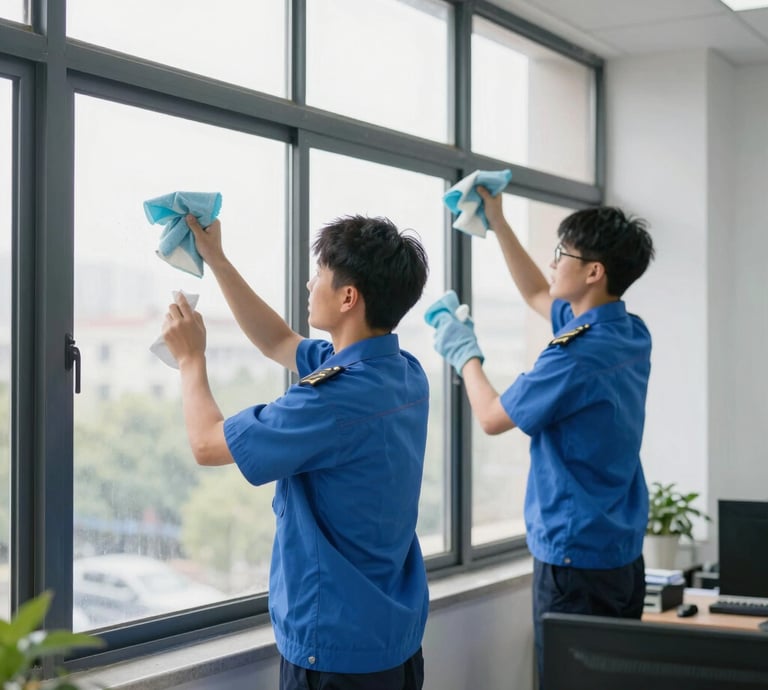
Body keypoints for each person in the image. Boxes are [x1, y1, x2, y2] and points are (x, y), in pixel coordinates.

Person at [162, 213, 430, 690]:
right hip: (394, 643)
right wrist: (217, 260)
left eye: (321, 274)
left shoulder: (330, 401)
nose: (310, 283)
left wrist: (189, 360)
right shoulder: (403, 373)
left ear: (348, 297)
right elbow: (279, 341)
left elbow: (206, 444)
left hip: (335, 658)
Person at [424, 187, 655, 688]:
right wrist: (499, 222)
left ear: (594, 271)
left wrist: (464, 352)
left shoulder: (573, 356)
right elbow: (537, 293)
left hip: (575, 564)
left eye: (561, 255)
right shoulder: (631, 333)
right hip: (621, 556)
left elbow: (491, 416)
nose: (552, 264)